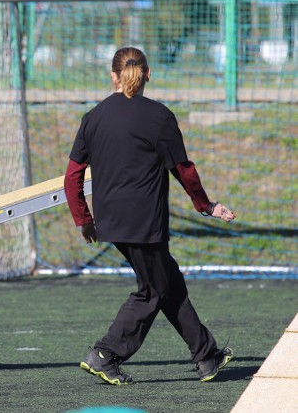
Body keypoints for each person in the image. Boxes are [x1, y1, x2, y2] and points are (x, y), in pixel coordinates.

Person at [63, 47, 236, 386]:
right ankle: (105, 354)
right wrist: (205, 205)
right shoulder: (159, 116)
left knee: (169, 282)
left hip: (110, 221)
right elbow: (184, 170)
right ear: (148, 74)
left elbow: (72, 177)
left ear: (113, 76)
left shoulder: (93, 117)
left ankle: (206, 356)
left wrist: (84, 219)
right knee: (153, 290)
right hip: (145, 222)